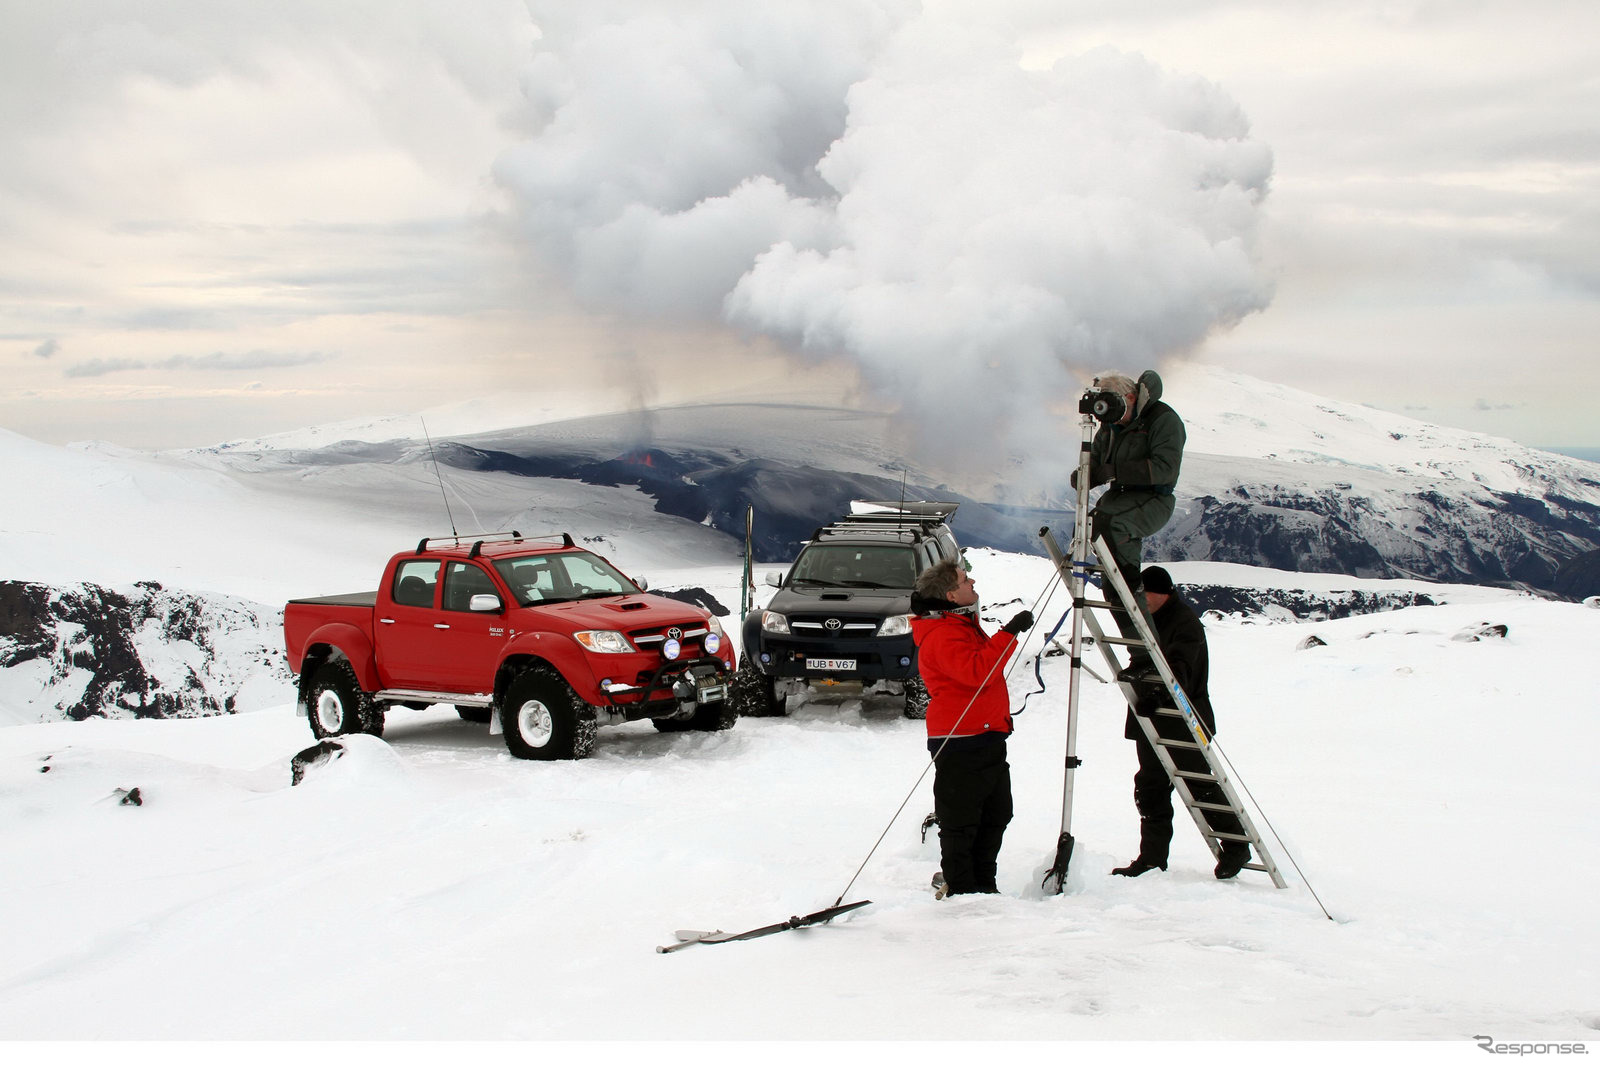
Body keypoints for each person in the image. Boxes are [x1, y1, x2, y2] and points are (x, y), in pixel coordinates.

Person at [1111, 565, 1252, 881]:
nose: (1142, 599)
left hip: (1182, 719)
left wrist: (1155, 694)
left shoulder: (1184, 623)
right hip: (1154, 718)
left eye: (1145, 593)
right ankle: (1151, 858)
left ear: (1162, 592)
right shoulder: (1149, 621)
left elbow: (1181, 671)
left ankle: (1236, 847)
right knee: (1150, 787)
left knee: (1199, 785)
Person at [909, 559, 1033, 896]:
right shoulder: (942, 634)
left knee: (996, 813)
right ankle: (962, 890)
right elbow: (978, 672)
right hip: (961, 738)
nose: (972, 580)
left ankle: (983, 884)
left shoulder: (959, 625)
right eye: (965, 579)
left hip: (987, 732)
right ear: (951, 595)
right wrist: (1008, 634)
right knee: (961, 820)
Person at [1071, 369, 1185, 671]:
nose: (1113, 417)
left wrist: (1115, 471)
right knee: (1095, 533)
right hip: (1120, 498)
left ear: (1131, 397)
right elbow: (1096, 462)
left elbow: (1165, 469)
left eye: (1117, 407)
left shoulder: (1163, 420)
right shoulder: (1111, 424)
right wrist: (1085, 474)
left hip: (1153, 499)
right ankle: (1139, 651)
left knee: (1115, 539)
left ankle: (1146, 643)